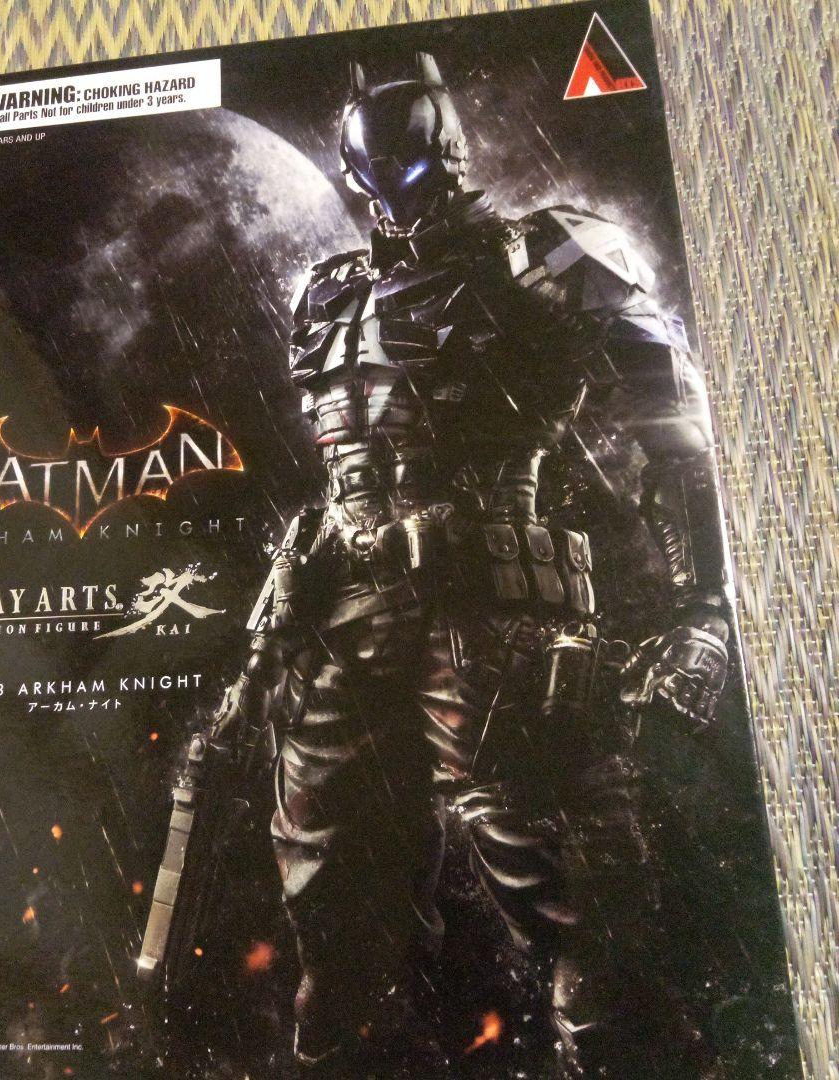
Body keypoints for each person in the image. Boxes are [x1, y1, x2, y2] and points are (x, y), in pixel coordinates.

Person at [211, 53, 730, 1076]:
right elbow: (354, 471)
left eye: (418, 164)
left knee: (582, 924)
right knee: (337, 936)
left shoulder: (548, 254)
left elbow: (676, 433)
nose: (404, 189)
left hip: (495, 619)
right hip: (347, 630)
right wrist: (296, 572)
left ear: (452, 153)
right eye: (383, 172)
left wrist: (704, 606)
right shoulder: (330, 294)